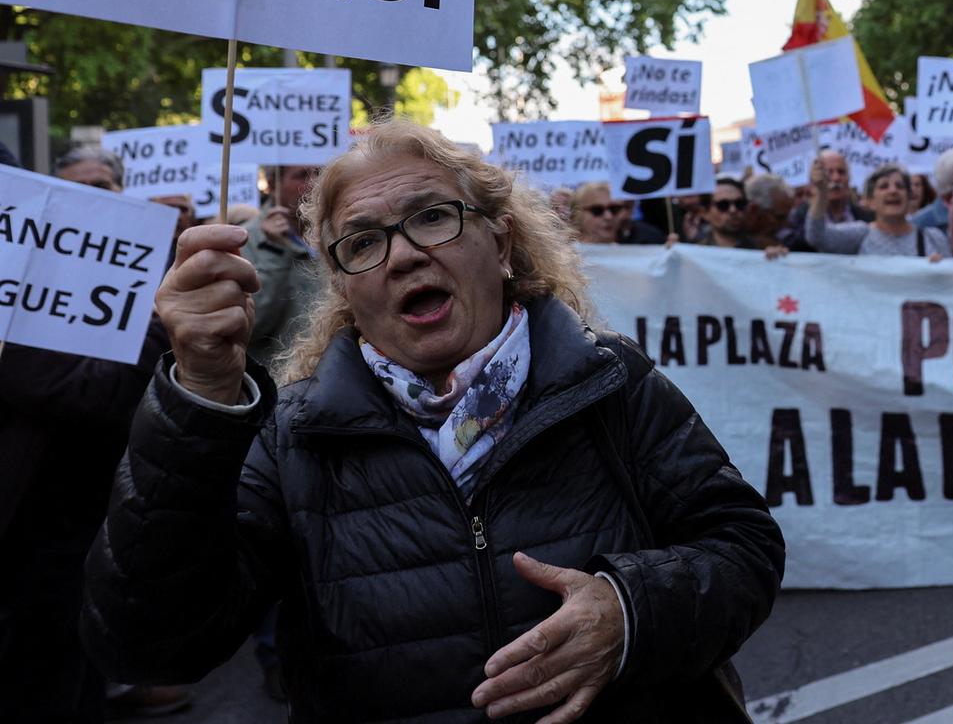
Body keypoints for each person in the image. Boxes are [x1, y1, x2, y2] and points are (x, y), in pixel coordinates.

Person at [83, 118, 785, 721]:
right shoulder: (292, 437)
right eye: (362, 243)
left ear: (502, 244)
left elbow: (743, 547)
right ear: (344, 288)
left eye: (432, 217)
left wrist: (631, 611)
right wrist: (200, 394)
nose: (406, 254)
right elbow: (151, 642)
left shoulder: (610, 381)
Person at [0, 148, 190, 721]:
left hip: (92, 514)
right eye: (82, 190)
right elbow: (94, 393)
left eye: (106, 185)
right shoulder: (23, 290)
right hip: (34, 526)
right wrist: (167, 324)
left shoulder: (133, 262)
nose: (98, 199)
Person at [243, 164, 322, 368]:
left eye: (319, 173)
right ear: (271, 184)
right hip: (281, 381)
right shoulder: (245, 240)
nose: (314, 182)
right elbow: (250, 325)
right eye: (302, 175)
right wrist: (274, 252)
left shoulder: (337, 231)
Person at [805, 161, 952, 257]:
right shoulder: (860, 235)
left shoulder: (933, 238)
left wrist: (939, 271)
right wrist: (821, 193)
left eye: (900, 186)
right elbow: (816, 236)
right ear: (870, 201)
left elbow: (951, 284)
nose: (893, 191)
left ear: (909, 197)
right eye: (883, 186)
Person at [782, 149, 871, 250]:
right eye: (828, 172)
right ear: (813, 181)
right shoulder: (797, 218)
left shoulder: (867, 218)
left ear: (849, 178)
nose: (836, 178)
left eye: (841, 172)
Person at [694, 177, 761, 249]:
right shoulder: (694, 251)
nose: (733, 210)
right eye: (723, 205)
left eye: (739, 204)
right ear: (705, 213)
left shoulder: (762, 248)